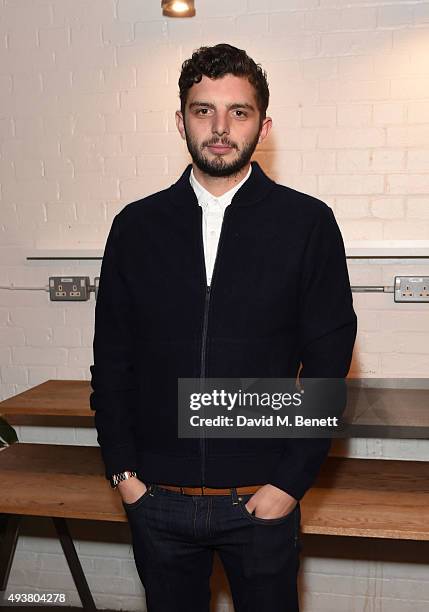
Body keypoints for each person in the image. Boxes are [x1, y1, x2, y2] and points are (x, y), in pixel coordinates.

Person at [90, 43, 357, 612]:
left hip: (261, 502)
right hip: (157, 500)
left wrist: (288, 483)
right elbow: (112, 360)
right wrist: (125, 474)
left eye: (238, 112)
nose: (219, 127)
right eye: (202, 109)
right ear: (180, 120)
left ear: (263, 126)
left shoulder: (307, 223)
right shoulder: (135, 227)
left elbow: (329, 365)